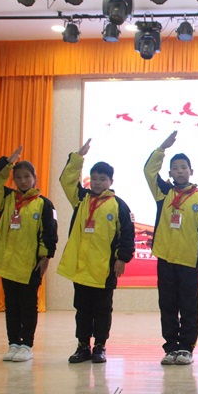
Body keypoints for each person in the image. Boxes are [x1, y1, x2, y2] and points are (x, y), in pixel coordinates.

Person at [57, 139, 135, 364]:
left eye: (103, 179)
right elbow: (66, 180)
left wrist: (122, 259)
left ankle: (100, 346)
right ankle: (83, 346)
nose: (98, 182)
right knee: (82, 309)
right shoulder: (81, 199)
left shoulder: (118, 205)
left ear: (111, 181)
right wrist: (77, 158)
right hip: (81, 268)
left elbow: (127, 234)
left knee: (102, 309)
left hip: (104, 269)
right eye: (94, 178)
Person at [0, 146, 58, 363]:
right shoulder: (6, 199)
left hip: (31, 265)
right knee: (12, 306)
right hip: (8, 263)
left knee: (28, 305)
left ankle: (27, 345)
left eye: (27, 177)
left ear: (34, 178)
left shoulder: (44, 204)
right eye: (18, 177)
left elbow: (50, 232)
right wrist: (7, 163)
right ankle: (13, 343)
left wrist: (46, 257)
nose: (23, 181)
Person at [144, 131, 198, 366]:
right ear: (170, 173)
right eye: (175, 168)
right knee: (167, 305)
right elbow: (149, 171)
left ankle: (186, 347)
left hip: (189, 261)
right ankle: (171, 347)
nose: (180, 171)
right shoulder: (163, 193)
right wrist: (162, 148)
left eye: (184, 167)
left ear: (191, 171)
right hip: (165, 258)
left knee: (189, 306)